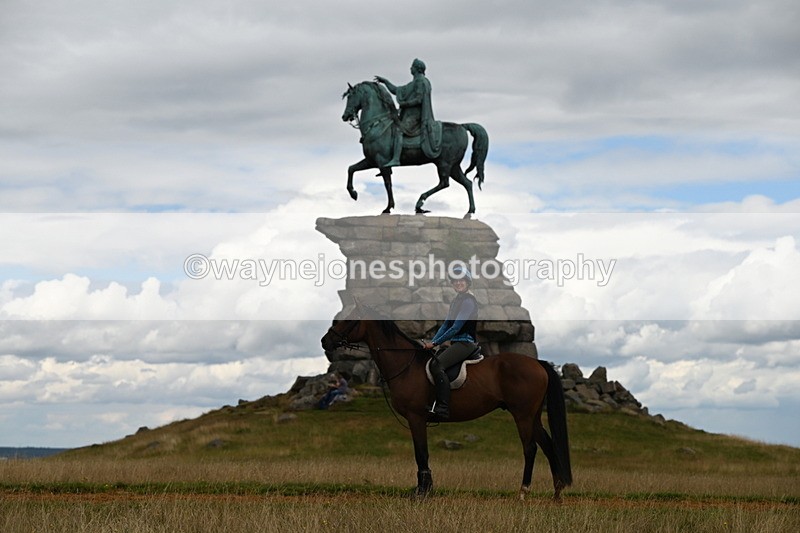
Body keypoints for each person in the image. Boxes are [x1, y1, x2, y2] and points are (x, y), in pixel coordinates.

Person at [422, 265, 479, 419]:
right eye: (455, 281)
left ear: (467, 282)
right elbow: (446, 324)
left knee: (437, 365)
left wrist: (434, 344)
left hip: (466, 343)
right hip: (456, 343)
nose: (458, 283)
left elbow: (455, 328)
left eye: (461, 280)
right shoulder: (456, 301)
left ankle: (443, 408)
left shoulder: (469, 301)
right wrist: (433, 341)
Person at [374, 58, 442, 166]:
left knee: (398, 130)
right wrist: (385, 82)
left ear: (417, 69)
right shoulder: (414, 82)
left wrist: (405, 104)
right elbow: (396, 90)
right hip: (409, 114)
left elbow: (419, 99)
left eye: (412, 67)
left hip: (416, 116)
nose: (410, 68)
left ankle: (396, 159)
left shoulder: (421, 81)